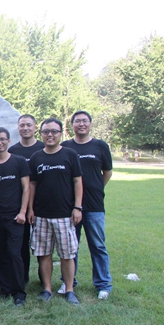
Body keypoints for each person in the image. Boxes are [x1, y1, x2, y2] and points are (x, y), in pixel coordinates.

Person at [28, 118, 83, 305]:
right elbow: (32, 185)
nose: (50, 135)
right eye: (46, 132)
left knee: (67, 254)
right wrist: (31, 209)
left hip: (65, 214)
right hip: (41, 214)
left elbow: (77, 181)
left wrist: (77, 207)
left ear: (61, 133)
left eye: (54, 131)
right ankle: (47, 288)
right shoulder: (36, 157)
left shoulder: (70, 154)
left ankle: (69, 290)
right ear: (41, 134)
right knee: (43, 254)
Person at [61, 111, 113, 299]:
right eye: (77, 121)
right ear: (72, 125)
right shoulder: (66, 146)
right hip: (70, 206)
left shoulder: (100, 146)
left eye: (84, 121)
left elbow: (107, 172)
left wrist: (96, 188)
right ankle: (68, 282)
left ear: (90, 124)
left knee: (97, 245)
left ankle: (103, 284)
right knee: (70, 247)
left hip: (94, 205)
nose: (81, 124)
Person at [0, 127, 30, 306]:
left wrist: (23, 212)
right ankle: (5, 289)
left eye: (3, 139)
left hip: (15, 216)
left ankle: (19, 292)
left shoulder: (19, 161)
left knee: (14, 253)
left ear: (9, 141)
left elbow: (26, 188)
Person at [8, 114, 45, 284]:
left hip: (42, 203)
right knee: (21, 243)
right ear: (18, 128)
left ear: (35, 127)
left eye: (29, 125)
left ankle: (44, 279)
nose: (25, 128)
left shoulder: (43, 148)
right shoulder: (13, 151)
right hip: (20, 204)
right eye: (22, 125)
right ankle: (22, 277)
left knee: (42, 244)